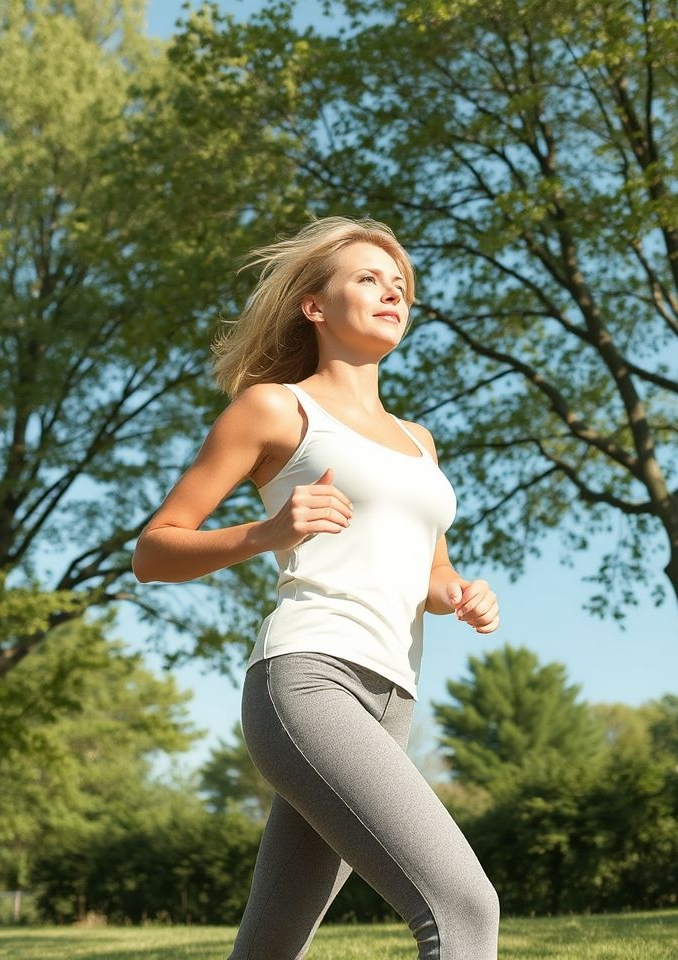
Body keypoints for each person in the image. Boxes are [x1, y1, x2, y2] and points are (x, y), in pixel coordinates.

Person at [133, 216, 501, 958]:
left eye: (400, 285)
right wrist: (270, 533)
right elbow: (154, 551)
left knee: (269, 947)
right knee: (464, 907)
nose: (392, 291)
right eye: (368, 277)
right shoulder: (276, 408)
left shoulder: (418, 440)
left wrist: (461, 593)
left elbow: (431, 570)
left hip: (392, 696)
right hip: (308, 681)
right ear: (314, 306)